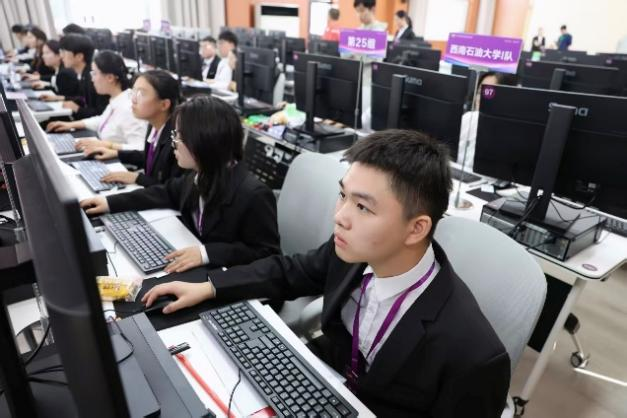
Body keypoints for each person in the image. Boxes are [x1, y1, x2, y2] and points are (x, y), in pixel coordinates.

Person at [141, 129, 510, 417]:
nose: (340, 216)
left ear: (416, 229)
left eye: (363, 207)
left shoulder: (473, 356)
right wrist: (209, 286)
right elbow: (288, 271)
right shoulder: (354, 253)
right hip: (324, 389)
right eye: (343, 195)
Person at [80, 95, 280, 272]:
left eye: (179, 136)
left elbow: (266, 255)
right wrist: (109, 203)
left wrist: (206, 253)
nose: (173, 143)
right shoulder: (198, 174)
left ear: (204, 142)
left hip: (228, 279)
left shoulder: (253, 194)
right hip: (197, 264)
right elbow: (165, 193)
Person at [79, 70, 186, 187]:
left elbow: (174, 189)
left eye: (141, 94)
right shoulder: (154, 125)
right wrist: (117, 154)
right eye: (134, 92)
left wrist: (137, 178)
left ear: (164, 104)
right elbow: (150, 156)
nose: (133, 100)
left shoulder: (177, 139)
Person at [46, 50, 147, 151]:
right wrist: (71, 124)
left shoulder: (129, 108)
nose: (92, 79)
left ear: (110, 78)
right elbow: (103, 120)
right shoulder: (117, 99)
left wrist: (106, 145)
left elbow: (140, 148)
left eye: (94, 73)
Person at [457, 72, 517, 170]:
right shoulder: (468, 118)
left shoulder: (511, 135)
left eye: (489, 93)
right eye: (480, 92)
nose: (481, 98)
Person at [40, 34, 108, 119]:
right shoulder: (83, 75)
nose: (61, 56)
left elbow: (101, 114)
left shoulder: (92, 78)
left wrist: (77, 109)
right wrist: (59, 97)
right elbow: (82, 98)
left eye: (65, 52)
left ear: (79, 57)